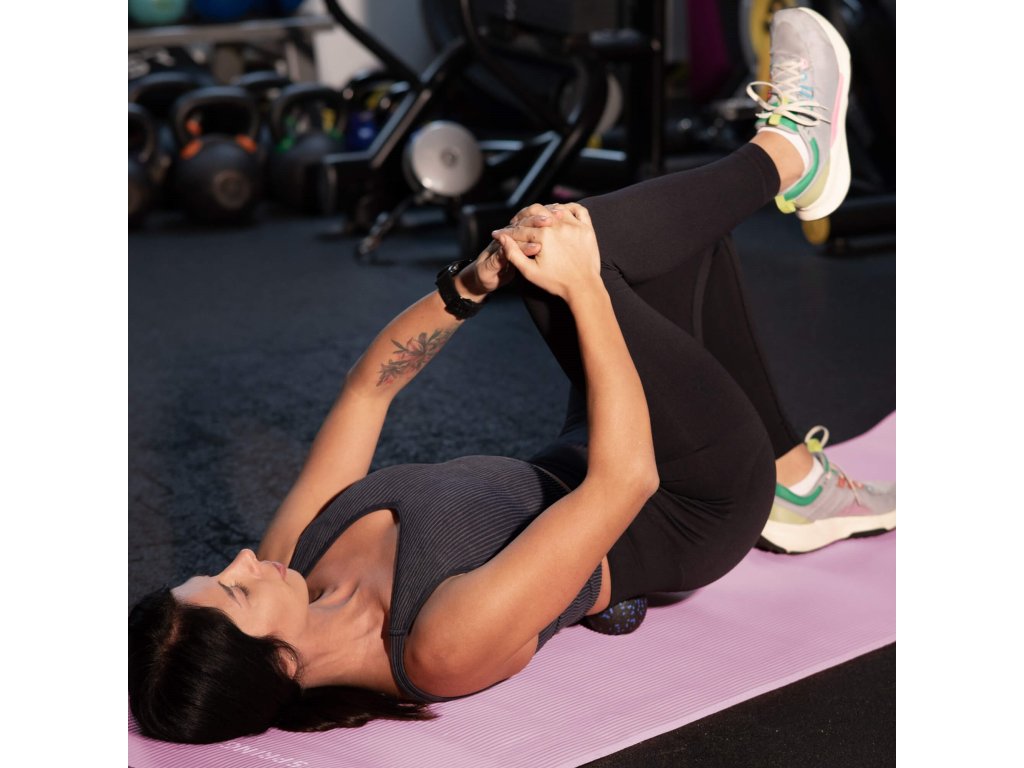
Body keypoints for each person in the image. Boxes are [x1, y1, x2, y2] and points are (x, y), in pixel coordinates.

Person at [129, 8, 894, 744]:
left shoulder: (292, 556)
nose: (241, 560)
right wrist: (581, 286)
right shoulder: (441, 646)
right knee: (579, 256)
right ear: (277, 665)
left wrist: (471, 284)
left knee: (644, 242)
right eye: (234, 591)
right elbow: (624, 482)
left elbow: (370, 388)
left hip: (592, 443)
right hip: (687, 495)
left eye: (216, 572)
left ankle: (796, 477)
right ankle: (790, 153)